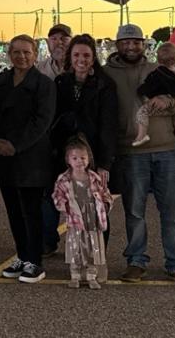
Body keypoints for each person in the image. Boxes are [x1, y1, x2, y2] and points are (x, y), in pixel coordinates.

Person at [104, 23, 175, 286]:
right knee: (134, 212)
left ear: (144, 44)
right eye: (125, 42)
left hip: (167, 149)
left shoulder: (158, 69)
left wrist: (169, 102)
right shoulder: (106, 74)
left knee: (173, 211)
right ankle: (136, 261)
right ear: (117, 45)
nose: (131, 46)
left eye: (136, 42)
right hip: (130, 153)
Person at [0, 35, 55, 284]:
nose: (21, 57)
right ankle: (22, 255)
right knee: (13, 211)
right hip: (3, 157)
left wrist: (15, 145)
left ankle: (35, 261)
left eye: (27, 52)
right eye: (16, 52)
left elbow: (42, 122)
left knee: (31, 211)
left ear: (35, 55)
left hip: (31, 157)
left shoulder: (44, 84)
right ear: (9, 54)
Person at [50, 34, 119, 249]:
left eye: (87, 55)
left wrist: (105, 163)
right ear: (70, 57)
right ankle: (77, 254)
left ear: (94, 57)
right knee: (71, 206)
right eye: (77, 54)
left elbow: (109, 125)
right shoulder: (61, 82)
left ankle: (98, 255)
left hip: (94, 153)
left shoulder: (105, 84)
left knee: (96, 205)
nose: (82, 59)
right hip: (66, 153)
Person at [52, 136, 113, 289]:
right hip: (75, 220)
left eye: (83, 158)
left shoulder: (94, 178)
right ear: (68, 160)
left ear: (88, 158)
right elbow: (57, 196)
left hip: (92, 219)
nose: (79, 161)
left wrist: (105, 203)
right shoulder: (64, 180)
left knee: (93, 248)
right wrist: (65, 207)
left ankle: (92, 275)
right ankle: (75, 275)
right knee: (76, 248)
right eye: (75, 158)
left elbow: (105, 193)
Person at [133, 41, 175, 147]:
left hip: (157, 99)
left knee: (141, 113)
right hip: (172, 98)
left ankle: (142, 135)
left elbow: (150, 84)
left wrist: (142, 91)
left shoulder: (159, 73)